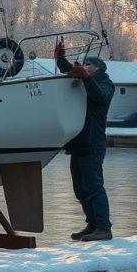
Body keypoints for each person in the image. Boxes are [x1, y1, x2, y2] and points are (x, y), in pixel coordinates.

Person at [55, 41, 115, 241]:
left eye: (89, 65)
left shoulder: (106, 84)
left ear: (98, 69)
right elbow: (72, 72)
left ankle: (104, 228)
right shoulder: (84, 79)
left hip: (93, 144)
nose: (85, 67)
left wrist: (86, 76)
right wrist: (60, 59)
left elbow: (99, 96)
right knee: (80, 189)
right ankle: (92, 224)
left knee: (94, 187)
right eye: (85, 64)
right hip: (79, 144)